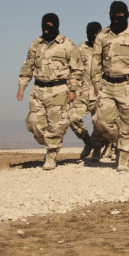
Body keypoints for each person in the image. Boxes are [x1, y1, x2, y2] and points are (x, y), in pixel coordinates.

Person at [91, 1, 129, 172]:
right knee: (100, 120)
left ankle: (124, 156)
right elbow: (95, 62)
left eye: (120, 15)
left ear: (126, 15)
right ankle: (119, 141)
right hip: (107, 84)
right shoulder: (103, 36)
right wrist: (96, 84)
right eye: (114, 15)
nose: (117, 18)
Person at [17, 13, 83, 170]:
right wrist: (21, 87)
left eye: (50, 25)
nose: (46, 29)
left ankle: (52, 154)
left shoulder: (67, 44)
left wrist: (73, 90)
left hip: (59, 89)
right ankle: (47, 142)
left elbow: (77, 69)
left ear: (56, 25)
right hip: (38, 89)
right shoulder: (36, 44)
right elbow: (28, 66)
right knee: (34, 123)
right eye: (44, 25)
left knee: (56, 125)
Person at [69, 22, 104, 160]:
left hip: (100, 92)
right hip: (82, 92)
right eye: (91, 35)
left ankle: (97, 149)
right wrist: (71, 89)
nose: (93, 38)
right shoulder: (80, 49)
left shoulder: (105, 48)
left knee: (99, 123)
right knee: (72, 118)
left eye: (96, 35)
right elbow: (73, 70)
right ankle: (88, 142)